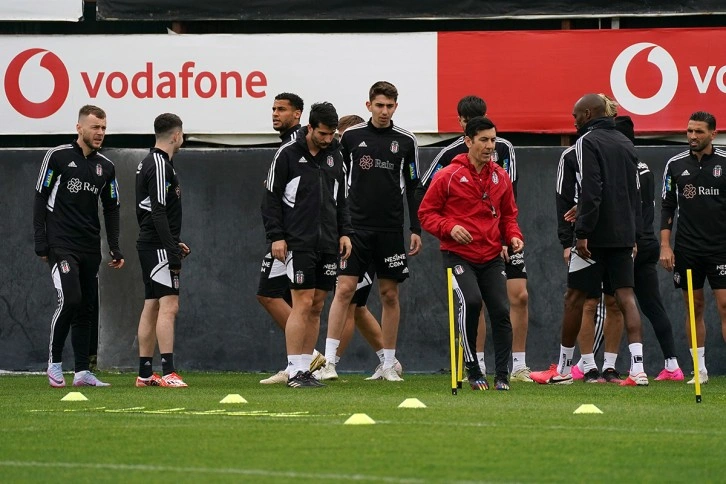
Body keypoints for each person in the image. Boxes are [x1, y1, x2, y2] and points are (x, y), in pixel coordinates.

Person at [530, 93, 648, 387]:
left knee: (574, 298)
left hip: (592, 238)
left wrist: (580, 233)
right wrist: (633, 236)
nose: (574, 120)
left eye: (576, 115)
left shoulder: (586, 142)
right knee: (625, 296)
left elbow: (592, 188)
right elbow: (634, 195)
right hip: (622, 235)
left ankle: (565, 370)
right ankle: (638, 370)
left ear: (588, 114)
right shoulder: (625, 142)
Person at [416, 95, 531, 382]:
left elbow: (508, 216)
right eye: (483, 140)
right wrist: (448, 227)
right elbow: (426, 213)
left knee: (502, 310)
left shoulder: (500, 176)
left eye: (493, 140)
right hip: (458, 255)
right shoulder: (448, 175)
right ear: (468, 141)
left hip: (491, 255)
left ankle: (503, 375)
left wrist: (513, 236)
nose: (490, 146)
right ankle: (473, 367)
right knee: (472, 301)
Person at [323, 81, 421, 382]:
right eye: (379, 105)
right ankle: (328, 363)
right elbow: (336, 178)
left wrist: (415, 228)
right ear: (369, 106)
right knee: (344, 290)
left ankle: (389, 364)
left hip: (390, 230)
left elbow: (414, 185)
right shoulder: (350, 137)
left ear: (396, 106)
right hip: (354, 230)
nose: (384, 111)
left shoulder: (406, 141)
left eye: (390, 106)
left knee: (390, 295)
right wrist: (339, 225)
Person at [262, 102, 353, 388]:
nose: (328, 140)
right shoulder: (287, 154)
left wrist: (345, 232)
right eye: (323, 134)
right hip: (297, 241)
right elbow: (270, 199)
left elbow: (342, 199)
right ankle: (295, 370)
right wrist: (276, 236)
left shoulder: (336, 155)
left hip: (327, 241)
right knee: (301, 302)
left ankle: (306, 370)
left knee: (317, 305)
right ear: (310, 128)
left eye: (332, 135)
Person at [34, 104, 123, 388]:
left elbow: (112, 207)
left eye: (104, 128)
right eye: (95, 127)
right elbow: (40, 199)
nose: (100, 133)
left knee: (86, 307)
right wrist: (41, 241)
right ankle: (54, 363)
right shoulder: (57, 157)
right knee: (71, 299)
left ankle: (83, 371)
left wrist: (115, 246)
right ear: (79, 128)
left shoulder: (106, 167)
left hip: (89, 247)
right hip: (61, 243)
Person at [318, 114, 402, 381]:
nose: (336, 141)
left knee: (353, 300)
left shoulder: (388, 146)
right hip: (349, 234)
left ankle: (331, 363)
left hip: (373, 234)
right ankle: (386, 360)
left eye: (339, 136)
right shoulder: (335, 163)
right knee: (354, 301)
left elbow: (410, 184)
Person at [257, 94, 328, 384]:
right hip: (288, 237)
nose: (275, 114)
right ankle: (302, 359)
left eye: (282, 109)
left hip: (299, 239)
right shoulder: (287, 147)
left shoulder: (304, 145)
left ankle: (301, 361)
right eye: (273, 108)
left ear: (299, 115)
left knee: (303, 302)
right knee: (271, 293)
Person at [555, 94, 625, 384]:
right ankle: (586, 365)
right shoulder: (572, 154)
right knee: (585, 300)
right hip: (590, 237)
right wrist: (567, 241)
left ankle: (610, 365)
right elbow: (565, 199)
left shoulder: (619, 147)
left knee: (616, 301)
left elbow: (616, 195)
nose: (574, 121)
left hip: (607, 236)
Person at [660, 111, 726, 384]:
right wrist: (665, 245)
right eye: (689, 131)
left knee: (725, 305)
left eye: (699, 132)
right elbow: (667, 206)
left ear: (713, 133)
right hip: (687, 248)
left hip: (721, 248)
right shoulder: (675, 164)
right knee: (694, 306)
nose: (692, 136)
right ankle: (700, 370)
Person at [134, 113, 190, 388]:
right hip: (156, 246)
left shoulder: (158, 163)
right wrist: (170, 248)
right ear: (176, 135)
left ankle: (145, 374)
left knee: (153, 305)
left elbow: (157, 213)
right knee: (169, 306)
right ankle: (168, 371)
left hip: (154, 243)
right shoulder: (158, 163)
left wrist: (173, 241)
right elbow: (157, 212)